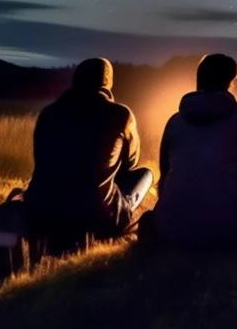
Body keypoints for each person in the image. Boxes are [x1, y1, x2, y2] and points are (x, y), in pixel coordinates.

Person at [23, 57, 153, 255]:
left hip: (42, 213)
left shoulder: (48, 113)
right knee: (145, 174)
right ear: (107, 83)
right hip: (96, 217)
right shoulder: (120, 115)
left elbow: (41, 160)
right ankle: (120, 218)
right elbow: (131, 163)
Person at [150, 53, 237, 247]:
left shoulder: (175, 121)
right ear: (230, 82)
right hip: (233, 231)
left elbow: (165, 176)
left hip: (172, 230)